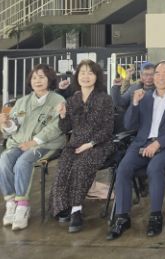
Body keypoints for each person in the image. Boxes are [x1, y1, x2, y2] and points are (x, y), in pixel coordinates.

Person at [107, 61, 165, 240]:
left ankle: (155, 216)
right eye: (157, 73)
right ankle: (122, 217)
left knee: (154, 167)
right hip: (141, 144)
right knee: (123, 169)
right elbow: (129, 125)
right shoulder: (143, 97)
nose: (160, 77)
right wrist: (134, 104)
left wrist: (158, 143)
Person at [50, 60, 114, 233]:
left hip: (99, 144)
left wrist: (90, 144)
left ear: (97, 76)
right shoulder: (72, 100)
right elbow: (65, 128)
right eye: (82, 72)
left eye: (90, 73)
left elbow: (108, 129)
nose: (86, 76)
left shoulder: (105, 99)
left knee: (80, 165)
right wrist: (63, 115)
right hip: (75, 144)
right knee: (63, 166)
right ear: (77, 76)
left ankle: (76, 209)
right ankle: (63, 206)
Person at [0, 65, 65, 231]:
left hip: (46, 144)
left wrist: (34, 142)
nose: (38, 81)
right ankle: (11, 202)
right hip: (19, 143)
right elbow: (14, 125)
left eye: (42, 77)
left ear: (50, 80)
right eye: (35, 77)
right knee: (4, 159)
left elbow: (56, 127)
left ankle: (23, 205)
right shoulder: (22, 101)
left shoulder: (58, 101)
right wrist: (6, 123)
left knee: (23, 162)